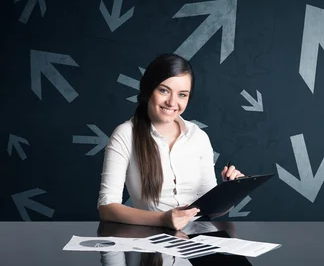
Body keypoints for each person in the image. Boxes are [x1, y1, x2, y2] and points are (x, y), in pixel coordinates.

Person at [97, 53, 245, 230]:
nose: (172, 102)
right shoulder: (125, 135)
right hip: (150, 245)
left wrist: (230, 191)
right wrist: (163, 219)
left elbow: (210, 210)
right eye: (164, 90)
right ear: (148, 89)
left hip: (199, 243)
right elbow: (106, 207)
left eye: (182, 95)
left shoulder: (198, 136)